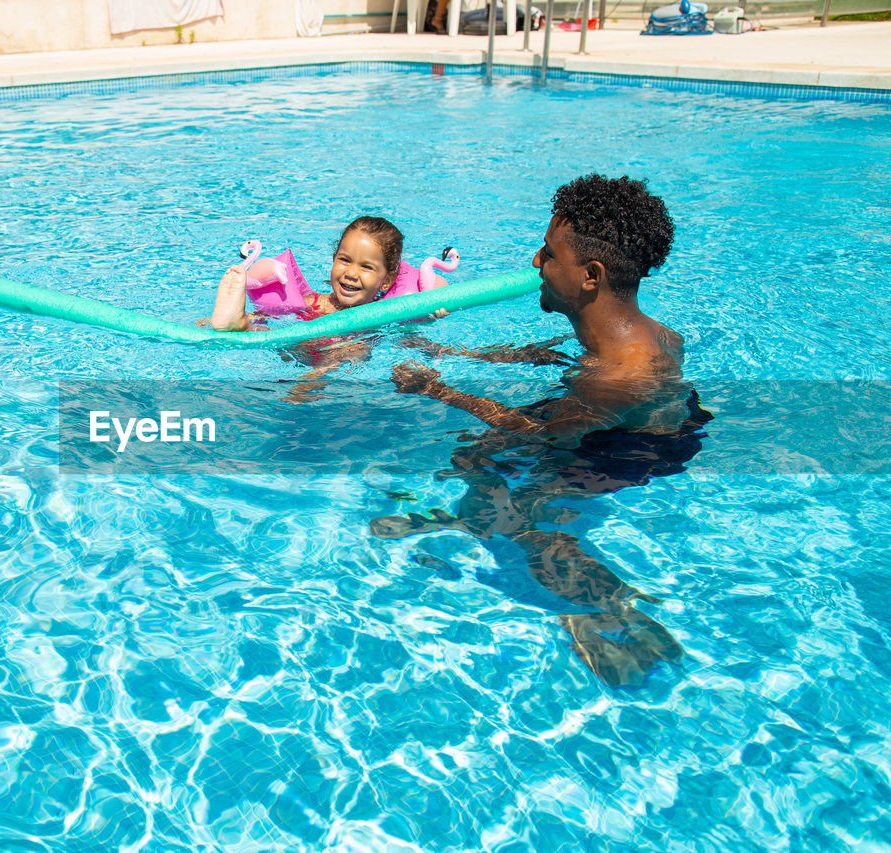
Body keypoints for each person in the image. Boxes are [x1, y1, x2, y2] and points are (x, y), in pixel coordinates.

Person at [373, 174, 709, 686]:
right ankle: (472, 519)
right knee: (480, 451)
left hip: (624, 449)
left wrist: (438, 390)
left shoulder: (619, 375)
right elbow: (568, 367)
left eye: (549, 254)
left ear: (591, 275)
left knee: (524, 512)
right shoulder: (641, 335)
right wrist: (457, 353)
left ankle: (608, 610)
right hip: (640, 415)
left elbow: (542, 434)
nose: (535, 262)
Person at [209, 216, 449, 401]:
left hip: (331, 351)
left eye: (366, 267)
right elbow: (278, 316)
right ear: (334, 258)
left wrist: (430, 317)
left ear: (386, 281)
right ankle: (236, 322)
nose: (351, 273)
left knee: (353, 350)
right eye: (344, 260)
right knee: (264, 328)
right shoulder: (312, 300)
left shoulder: (386, 314)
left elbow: (413, 340)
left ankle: (305, 377)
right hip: (297, 343)